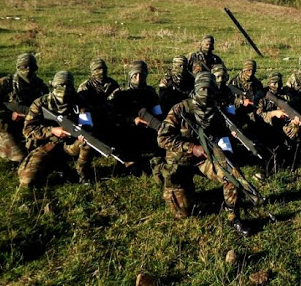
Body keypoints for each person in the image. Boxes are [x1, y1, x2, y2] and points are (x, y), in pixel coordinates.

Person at [157, 72, 255, 236]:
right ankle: (177, 184)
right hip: (179, 162)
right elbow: (162, 138)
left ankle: (234, 217)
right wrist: (191, 147)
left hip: (204, 159)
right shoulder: (180, 109)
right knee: (183, 214)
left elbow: (219, 130)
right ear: (196, 89)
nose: (207, 93)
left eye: (210, 89)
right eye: (203, 89)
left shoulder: (214, 109)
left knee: (232, 175)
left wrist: (229, 137)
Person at [18, 71, 93, 186]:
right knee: (26, 181)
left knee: (88, 141)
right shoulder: (39, 104)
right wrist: (52, 130)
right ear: (53, 85)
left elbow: (87, 124)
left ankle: (82, 173)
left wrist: (82, 132)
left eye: (67, 86)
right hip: (46, 146)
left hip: (70, 145)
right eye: (60, 85)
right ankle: (58, 166)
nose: (63, 89)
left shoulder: (79, 102)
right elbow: (28, 130)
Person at [0, 53, 48, 163]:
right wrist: (9, 115)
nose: (28, 70)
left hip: (27, 124)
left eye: (31, 66)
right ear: (18, 67)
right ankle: (3, 146)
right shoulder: (5, 84)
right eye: (24, 67)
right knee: (19, 156)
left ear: (36, 68)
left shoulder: (39, 86)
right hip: (2, 124)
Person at [108, 60, 163, 169]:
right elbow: (112, 115)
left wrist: (156, 124)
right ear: (130, 75)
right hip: (125, 128)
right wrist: (133, 119)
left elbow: (158, 113)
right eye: (135, 75)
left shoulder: (150, 92)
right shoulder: (119, 92)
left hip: (146, 127)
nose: (138, 79)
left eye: (141, 75)